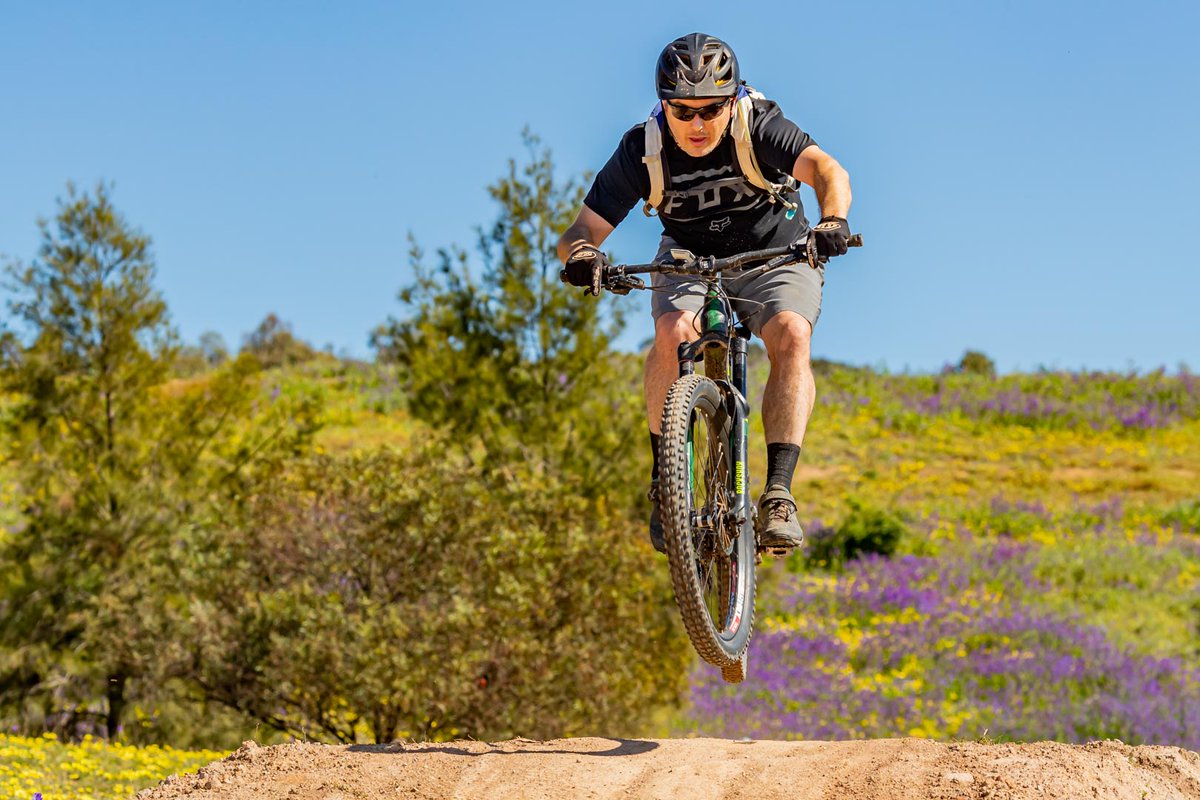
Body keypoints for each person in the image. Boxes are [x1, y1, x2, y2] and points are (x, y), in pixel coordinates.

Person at [556, 32, 853, 554]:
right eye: (683, 110)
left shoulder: (759, 126)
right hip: (689, 257)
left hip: (776, 252)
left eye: (711, 109)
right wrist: (582, 258)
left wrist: (832, 220)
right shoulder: (641, 149)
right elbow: (579, 231)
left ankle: (779, 493)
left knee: (789, 333)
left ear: (733, 100)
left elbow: (829, 170)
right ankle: (666, 484)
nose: (697, 124)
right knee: (673, 333)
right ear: (664, 105)